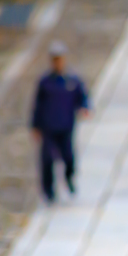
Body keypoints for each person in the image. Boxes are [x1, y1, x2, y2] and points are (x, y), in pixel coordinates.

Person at [31, 41, 90, 204]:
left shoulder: (72, 81)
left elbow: (82, 97)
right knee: (47, 160)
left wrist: (85, 108)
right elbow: (38, 105)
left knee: (68, 157)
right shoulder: (45, 82)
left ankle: (69, 179)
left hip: (65, 126)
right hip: (49, 127)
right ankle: (49, 191)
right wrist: (35, 126)